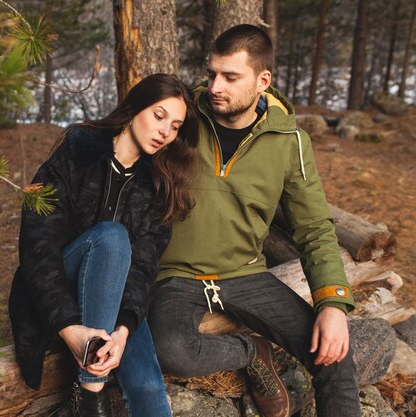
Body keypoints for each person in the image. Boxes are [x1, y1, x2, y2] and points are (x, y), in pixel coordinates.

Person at [148, 25, 360, 417]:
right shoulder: (183, 119)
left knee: (334, 353)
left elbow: (314, 227)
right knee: (171, 350)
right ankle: (250, 351)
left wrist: (332, 304)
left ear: (263, 81)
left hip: (245, 274)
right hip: (176, 274)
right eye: (212, 73)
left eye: (230, 77)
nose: (215, 86)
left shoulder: (290, 142)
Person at [9, 73, 199, 417]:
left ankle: (90, 388)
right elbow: (38, 245)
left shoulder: (160, 185)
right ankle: (91, 391)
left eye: (174, 127)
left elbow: (143, 268)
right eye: (159, 116)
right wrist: (70, 331)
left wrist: (124, 329)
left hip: (113, 302)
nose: (165, 132)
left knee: (148, 387)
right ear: (134, 108)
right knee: (111, 237)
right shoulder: (78, 151)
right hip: (55, 296)